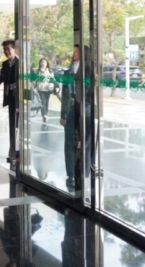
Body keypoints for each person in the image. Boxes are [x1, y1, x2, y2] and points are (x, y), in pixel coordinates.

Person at [60, 45, 93, 189]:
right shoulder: (68, 71)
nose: (74, 53)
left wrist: (81, 100)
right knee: (69, 142)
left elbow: (91, 90)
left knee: (85, 142)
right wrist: (63, 114)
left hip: (85, 108)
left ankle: (85, 172)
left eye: (77, 51)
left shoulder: (89, 70)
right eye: (73, 51)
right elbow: (64, 94)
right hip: (70, 109)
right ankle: (71, 174)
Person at [35, 58, 55, 122]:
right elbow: (35, 80)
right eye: (42, 62)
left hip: (48, 89)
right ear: (40, 63)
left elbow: (53, 79)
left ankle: (45, 114)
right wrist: (34, 87)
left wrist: (53, 85)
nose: (43, 63)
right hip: (40, 89)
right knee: (43, 102)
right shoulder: (38, 71)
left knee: (46, 102)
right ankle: (44, 115)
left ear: (47, 64)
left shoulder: (50, 71)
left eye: (44, 62)